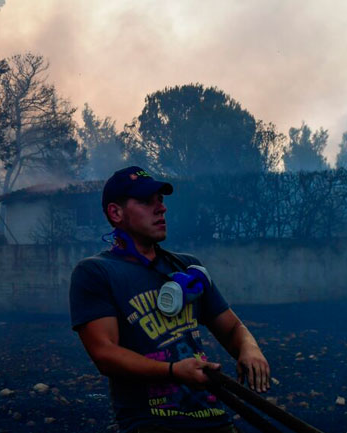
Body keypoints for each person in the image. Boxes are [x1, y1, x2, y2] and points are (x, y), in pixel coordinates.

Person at [70, 166, 270, 433]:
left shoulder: (188, 268)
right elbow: (104, 353)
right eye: (146, 201)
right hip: (152, 423)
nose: (161, 208)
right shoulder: (95, 272)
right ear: (116, 213)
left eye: (160, 200)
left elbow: (233, 328)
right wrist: (174, 370)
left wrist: (250, 349)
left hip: (214, 419)